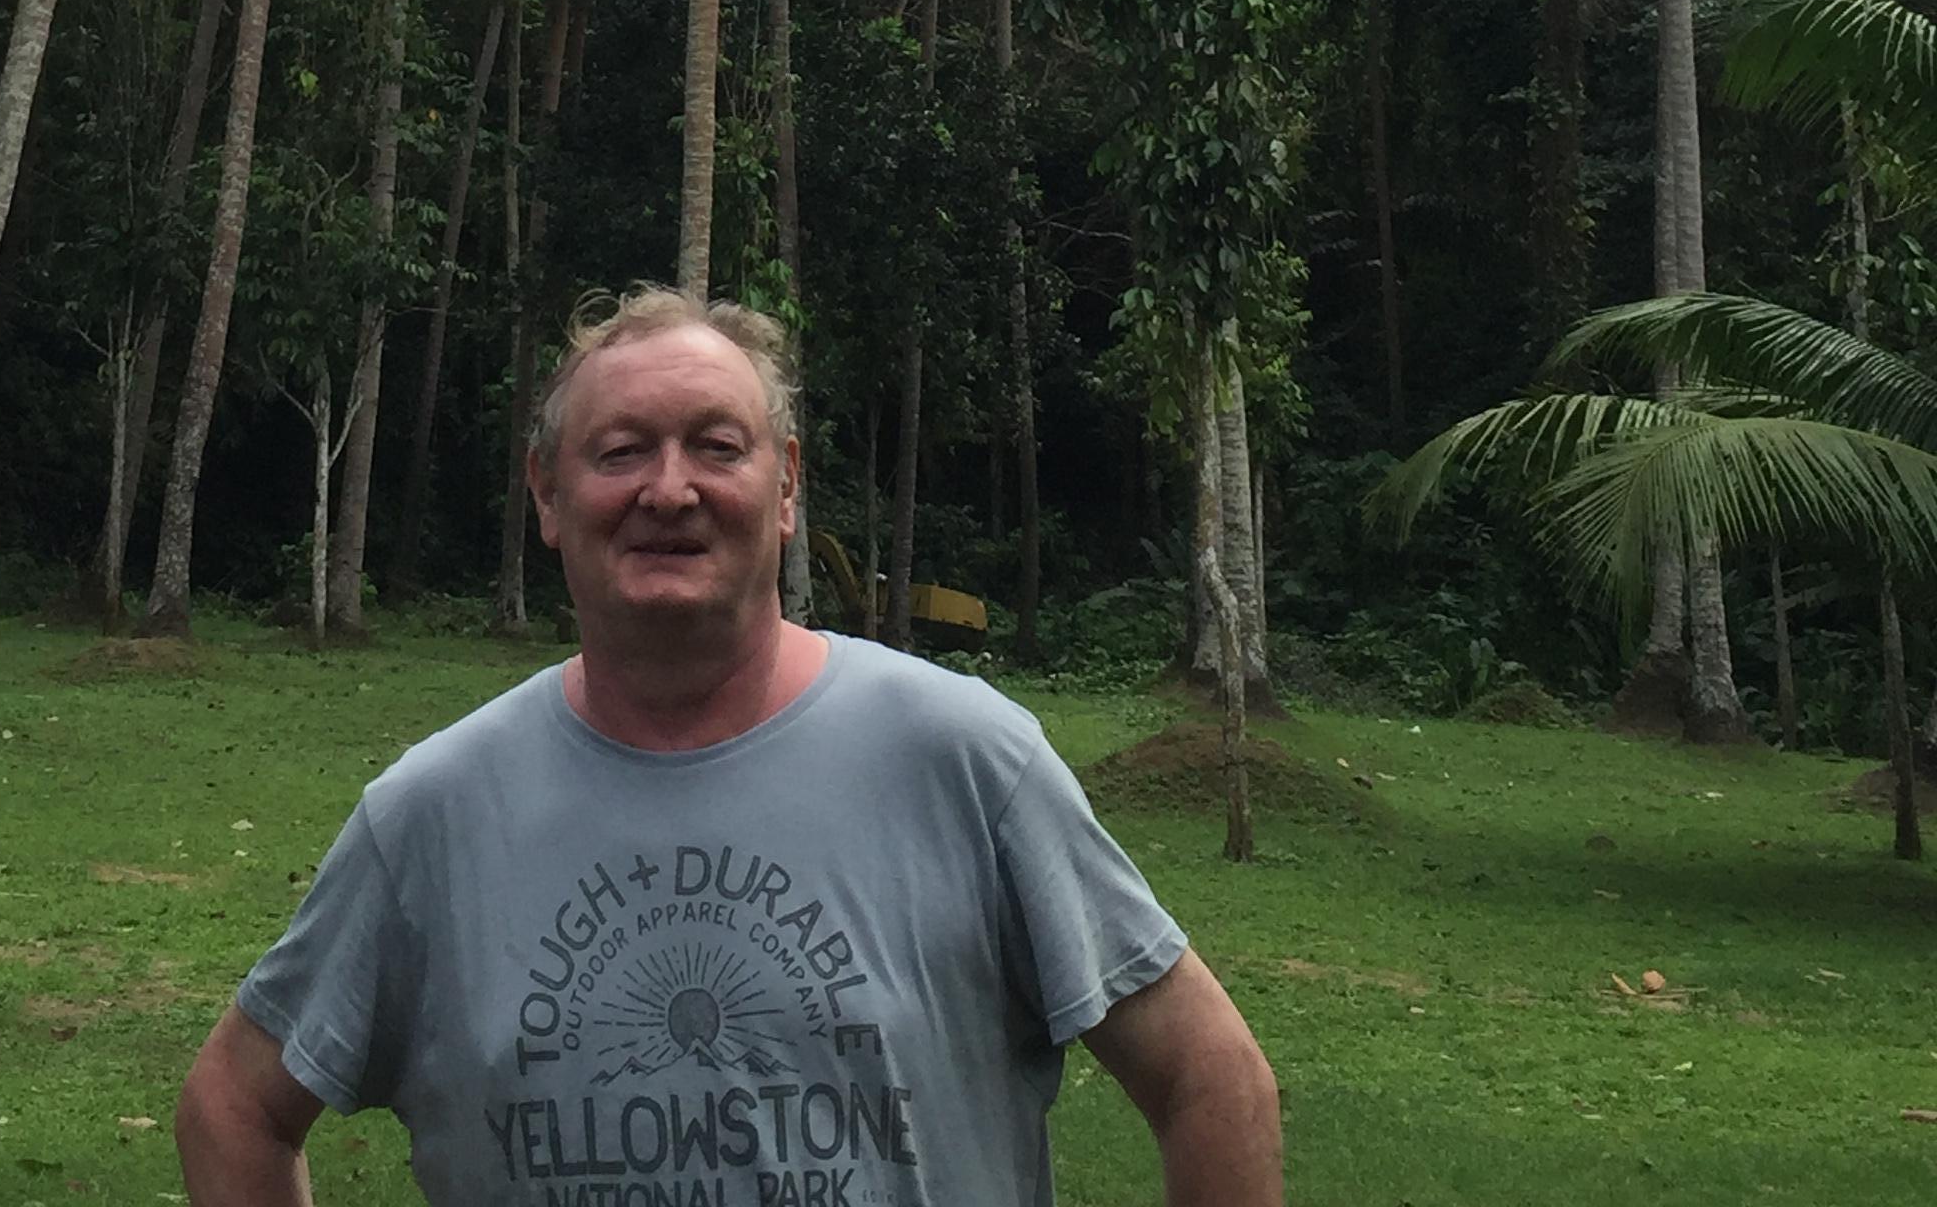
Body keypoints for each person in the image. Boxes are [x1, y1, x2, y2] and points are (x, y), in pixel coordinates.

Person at [178, 286, 1282, 1207]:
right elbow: (233, 1107)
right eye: (621, 453)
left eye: (717, 446)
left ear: (787, 487)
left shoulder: (963, 763)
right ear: (549, 497)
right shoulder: (434, 815)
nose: (671, 489)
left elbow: (1212, 1078)